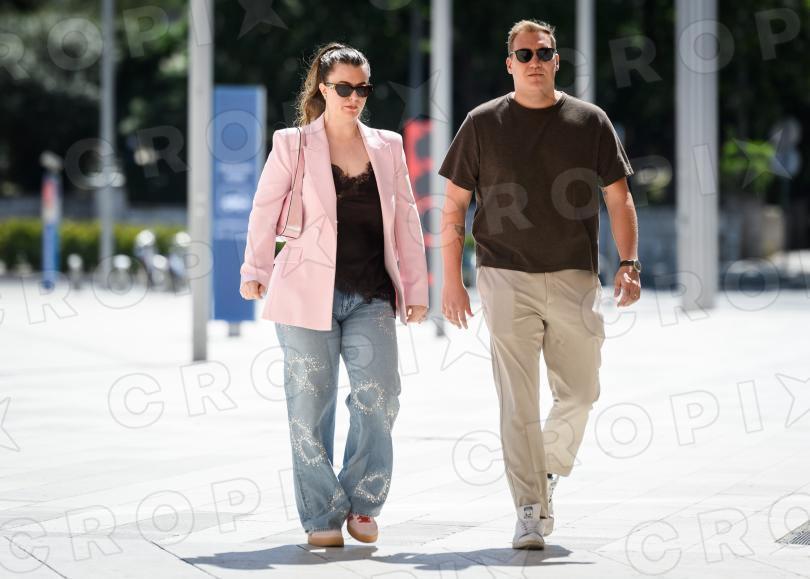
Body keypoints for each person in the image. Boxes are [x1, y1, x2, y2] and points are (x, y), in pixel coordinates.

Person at [439, 19, 641, 550]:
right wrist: (452, 280)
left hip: (575, 274)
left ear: (557, 60)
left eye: (544, 53)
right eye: (524, 54)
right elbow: (454, 206)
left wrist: (628, 262)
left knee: (582, 391)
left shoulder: (589, 121)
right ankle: (530, 509)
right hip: (503, 275)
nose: (535, 61)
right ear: (510, 64)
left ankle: (545, 465)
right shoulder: (482, 123)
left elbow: (619, 197)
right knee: (518, 399)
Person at [239, 42, 429, 548]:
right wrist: (255, 267)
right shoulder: (293, 143)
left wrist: (416, 287)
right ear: (323, 89)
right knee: (309, 406)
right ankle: (322, 513)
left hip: (372, 295)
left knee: (380, 396)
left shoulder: (388, 145)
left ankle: (363, 500)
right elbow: (264, 207)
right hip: (305, 294)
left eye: (362, 88)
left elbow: (406, 218)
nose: (354, 97)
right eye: (343, 88)